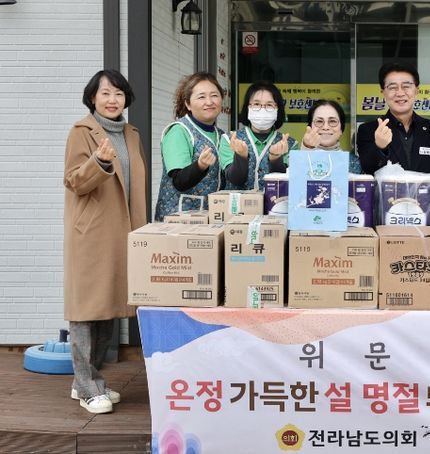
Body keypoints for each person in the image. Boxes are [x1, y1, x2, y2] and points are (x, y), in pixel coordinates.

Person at [63, 70, 148, 414]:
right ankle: (87, 386)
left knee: (109, 307)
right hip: (92, 233)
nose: (113, 100)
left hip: (124, 232)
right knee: (86, 310)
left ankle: (86, 381)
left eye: (119, 94)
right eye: (105, 93)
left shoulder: (131, 134)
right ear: (92, 98)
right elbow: (74, 181)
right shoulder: (81, 132)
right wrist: (97, 161)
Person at [154, 72, 227, 221]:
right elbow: (179, 181)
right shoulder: (179, 131)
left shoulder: (221, 135)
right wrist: (200, 166)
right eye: (201, 97)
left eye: (214, 95)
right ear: (188, 104)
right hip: (178, 220)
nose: (209, 102)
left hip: (210, 219)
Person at [356, 61, 430, 175]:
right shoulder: (368, 130)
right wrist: (380, 147)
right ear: (383, 92)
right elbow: (367, 169)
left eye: (406, 86)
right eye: (392, 87)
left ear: (417, 90)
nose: (400, 93)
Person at [222, 81, 297, 191]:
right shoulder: (229, 140)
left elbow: (285, 184)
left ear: (278, 109)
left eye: (269, 105)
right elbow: (235, 180)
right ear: (248, 107)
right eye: (256, 104)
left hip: (275, 202)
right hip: (239, 202)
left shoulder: (291, 144)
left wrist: (276, 159)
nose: (262, 109)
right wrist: (241, 157)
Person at [301, 99, 362, 173]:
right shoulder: (296, 161)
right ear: (310, 126)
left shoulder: (355, 163)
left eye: (332, 121)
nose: (325, 127)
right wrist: (306, 150)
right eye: (319, 121)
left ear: (341, 129)